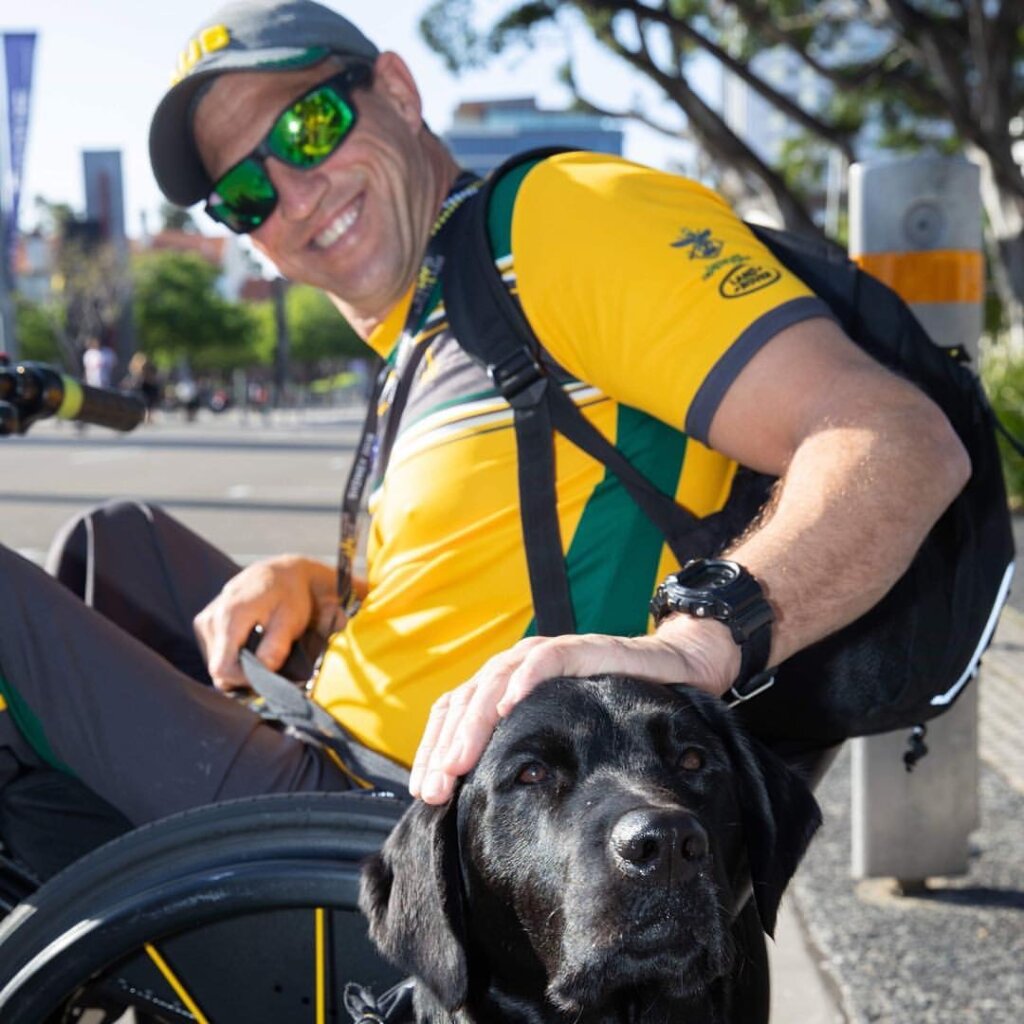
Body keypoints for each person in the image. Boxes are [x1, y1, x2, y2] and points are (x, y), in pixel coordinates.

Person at [0, 0, 968, 853]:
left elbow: (896, 439)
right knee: (115, 545)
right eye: (245, 194)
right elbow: (500, 580)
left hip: (410, 830)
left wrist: (695, 647)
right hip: (358, 752)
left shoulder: (558, 220)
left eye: (310, 126)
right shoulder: (437, 312)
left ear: (397, 88)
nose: (293, 196)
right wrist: (332, 593)